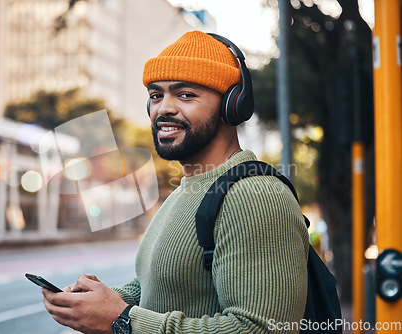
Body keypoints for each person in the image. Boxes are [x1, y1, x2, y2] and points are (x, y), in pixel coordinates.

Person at [42, 30, 309, 334]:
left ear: (232, 105)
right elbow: (162, 291)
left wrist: (123, 321)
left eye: (185, 94)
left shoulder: (255, 195)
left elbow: (263, 329)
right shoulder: (186, 190)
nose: (163, 109)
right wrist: (107, 301)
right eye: (156, 95)